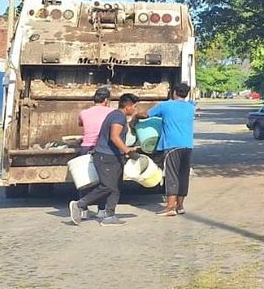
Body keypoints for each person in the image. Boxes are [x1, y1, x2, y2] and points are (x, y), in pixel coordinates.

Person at [69, 93, 140, 226]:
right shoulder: (118, 116)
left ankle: (109, 215)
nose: (135, 110)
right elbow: (114, 136)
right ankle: (79, 204)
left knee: (114, 187)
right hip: (106, 157)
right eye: (134, 107)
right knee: (107, 186)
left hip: (113, 156)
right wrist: (128, 152)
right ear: (128, 106)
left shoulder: (116, 115)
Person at [137, 82, 195, 216]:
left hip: (172, 145)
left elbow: (146, 115)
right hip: (188, 145)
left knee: (172, 175)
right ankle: (180, 206)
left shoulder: (166, 105)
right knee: (183, 175)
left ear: (174, 92)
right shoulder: (190, 107)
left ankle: (170, 207)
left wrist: (135, 116)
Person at [76, 87, 114, 220]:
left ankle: (84, 210)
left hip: (86, 147)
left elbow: (80, 123)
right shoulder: (112, 112)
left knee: (85, 179)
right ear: (106, 100)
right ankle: (101, 209)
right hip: (102, 147)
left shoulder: (84, 112)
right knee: (103, 180)